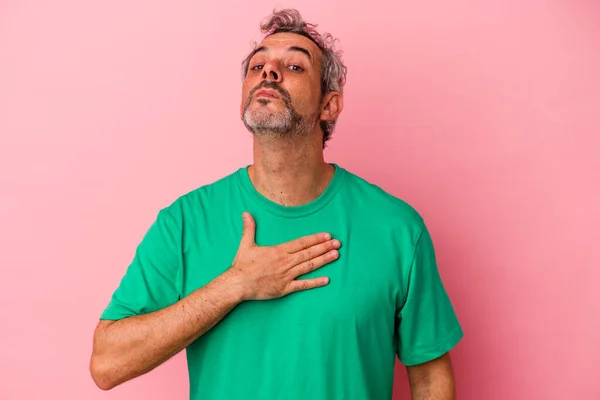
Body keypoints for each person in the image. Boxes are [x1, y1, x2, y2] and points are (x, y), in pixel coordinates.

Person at [90, 8, 463, 400]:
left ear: (329, 106)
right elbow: (106, 364)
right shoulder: (185, 221)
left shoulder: (397, 228)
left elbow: (430, 376)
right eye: (258, 65)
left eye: (295, 67)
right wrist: (235, 284)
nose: (269, 71)